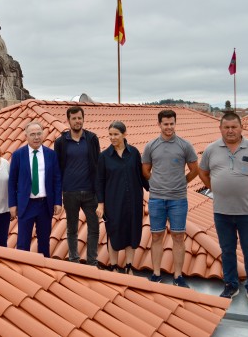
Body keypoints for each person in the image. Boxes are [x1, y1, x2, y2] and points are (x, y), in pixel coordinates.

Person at [199, 112, 248, 309]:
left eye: (234, 127)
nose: (230, 131)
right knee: (227, 250)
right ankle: (231, 284)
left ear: (241, 128)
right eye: (226, 127)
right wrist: (214, 188)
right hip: (222, 211)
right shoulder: (211, 149)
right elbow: (202, 171)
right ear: (221, 128)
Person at [141, 109, 198, 288]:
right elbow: (145, 171)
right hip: (157, 198)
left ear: (175, 123)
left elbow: (195, 170)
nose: (169, 127)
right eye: (165, 124)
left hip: (178, 199)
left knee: (178, 236)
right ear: (159, 124)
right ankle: (156, 273)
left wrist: (182, 182)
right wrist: (156, 183)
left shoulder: (185, 145)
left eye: (171, 123)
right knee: (156, 236)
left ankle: (178, 276)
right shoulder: (151, 146)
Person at [96, 121, 149, 274]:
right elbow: (99, 182)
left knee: (131, 232)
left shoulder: (134, 153)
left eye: (116, 134)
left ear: (124, 134)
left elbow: (142, 177)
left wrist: (156, 190)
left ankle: (129, 266)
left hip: (133, 201)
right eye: (110, 135)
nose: (112, 138)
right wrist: (101, 204)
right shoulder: (104, 157)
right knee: (113, 231)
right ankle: (113, 266)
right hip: (113, 202)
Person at [54, 106, 100, 266]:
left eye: (79, 118)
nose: (77, 121)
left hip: (90, 192)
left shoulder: (92, 139)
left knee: (94, 227)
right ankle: (74, 260)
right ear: (68, 120)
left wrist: (99, 192)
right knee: (71, 228)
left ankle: (92, 261)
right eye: (74, 118)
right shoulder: (60, 142)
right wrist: (59, 193)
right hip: (70, 192)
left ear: (83, 119)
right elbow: (58, 168)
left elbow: (97, 166)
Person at [8, 121, 62, 257]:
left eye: (39, 133)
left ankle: (43, 271)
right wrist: (12, 204)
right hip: (26, 205)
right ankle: (22, 270)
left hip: (45, 204)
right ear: (26, 136)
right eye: (33, 134)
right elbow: (12, 182)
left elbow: (57, 179)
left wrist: (57, 202)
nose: (36, 137)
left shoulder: (51, 154)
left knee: (44, 242)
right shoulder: (18, 155)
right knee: (23, 242)